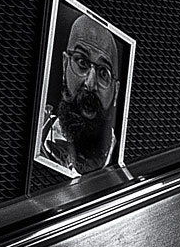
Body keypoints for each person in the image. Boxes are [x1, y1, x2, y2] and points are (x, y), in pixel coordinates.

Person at [38, 11, 123, 174]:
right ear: (65, 65)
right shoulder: (39, 135)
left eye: (103, 72)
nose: (90, 83)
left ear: (116, 91)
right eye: (82, 62)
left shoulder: (121, 165)